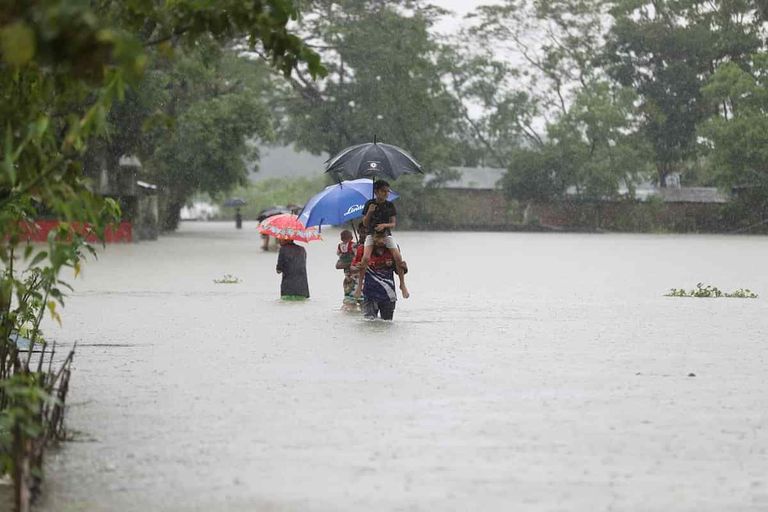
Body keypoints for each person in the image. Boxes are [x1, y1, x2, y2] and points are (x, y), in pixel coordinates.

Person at [359, 180, 409, 298]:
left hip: (386, 234)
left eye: (387, 192)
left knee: (397, 257)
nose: (386, 194)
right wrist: (370, 212)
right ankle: (360, 285)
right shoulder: (369, 204)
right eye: (383, 191)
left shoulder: (389, 205)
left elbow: (393, 224)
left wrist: (384, 225)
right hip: (372, 234)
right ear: (376, 192)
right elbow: (365, 224)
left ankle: (402, 284)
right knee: (365, 258)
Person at [352, 232, 400, 320]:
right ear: (372, 237)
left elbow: (399, 270)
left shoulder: (392, 249)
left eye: (383, 237)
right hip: (370, 293)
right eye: (377, 237)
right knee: (369, 322)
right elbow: (353, 268)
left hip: (388, 294)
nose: (380, 241)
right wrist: (359, 266)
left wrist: (401, 267)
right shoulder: (363, 249)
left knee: (387, 323)